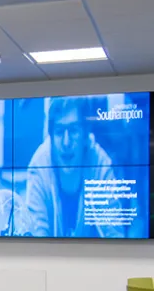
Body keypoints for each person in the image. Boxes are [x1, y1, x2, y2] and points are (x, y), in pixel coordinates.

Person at [25, 96, 131, 238]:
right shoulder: (39, 166)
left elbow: (114, 234)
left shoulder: (100, 163)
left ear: (85, 135)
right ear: (51, 135)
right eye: (59, 132)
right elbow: (36, 239)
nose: (66, 142)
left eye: (74, 131)